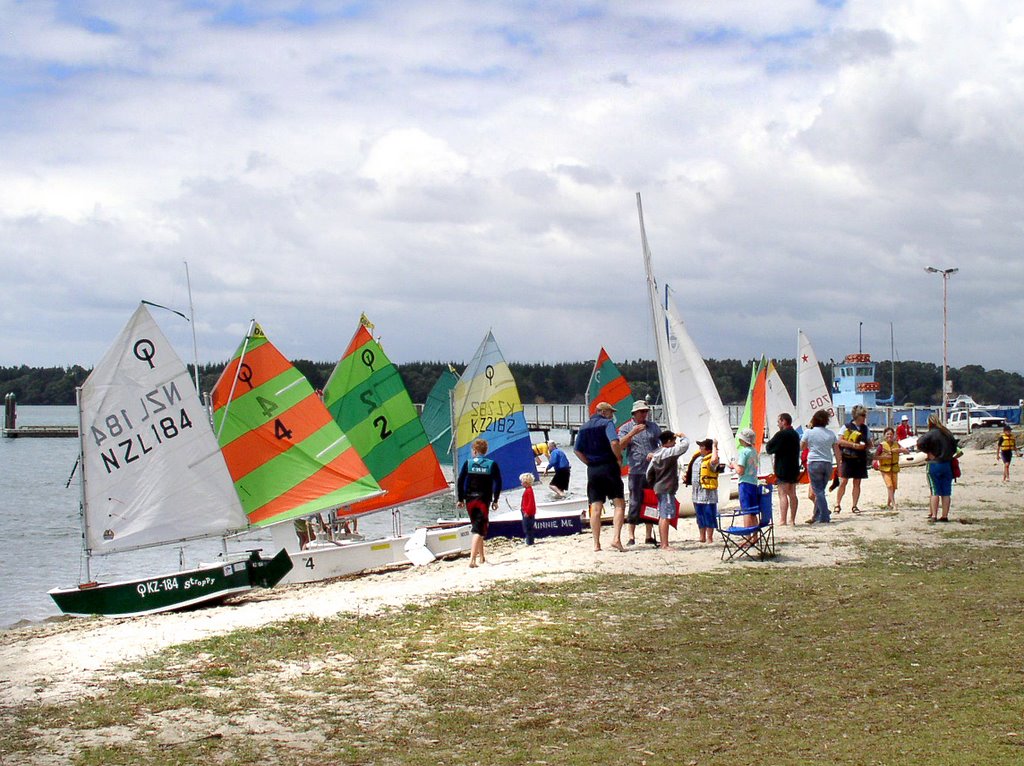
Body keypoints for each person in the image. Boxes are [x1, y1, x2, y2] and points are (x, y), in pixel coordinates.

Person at [574, 401, 626, 552]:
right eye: (611, 412)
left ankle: (596, 544)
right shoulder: (607, 423)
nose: (612, 415)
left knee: (595, 506)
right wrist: (618, 458)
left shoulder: (583, 427)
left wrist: (588, 462)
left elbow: (577, 450)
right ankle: (616, 538)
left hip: (593, 469)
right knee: (619, 504)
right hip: (609, 465)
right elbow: (615, 442)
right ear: (603, 412)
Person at [618, 400, 662, 546]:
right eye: (641, 412)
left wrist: (654, 453)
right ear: (634, 413)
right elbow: (620, 446)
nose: (644, 414)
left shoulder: (653, 427)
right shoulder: (625, 428)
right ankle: (631, 536)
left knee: (650, 501)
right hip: (636, 471)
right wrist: (632, 433)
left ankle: (649, 535)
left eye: (646, 411)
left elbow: (663, 445)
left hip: (651, 470)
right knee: (635, 501)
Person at [456, 438, 502, 567]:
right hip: (483, 500)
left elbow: (460, 481)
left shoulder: (468, 463)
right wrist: (496, 500)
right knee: (478, 529)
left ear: (475, 451)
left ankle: (482, 557)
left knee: (478, 526)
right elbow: (498, 483)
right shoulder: (491, 464)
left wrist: (460, 499)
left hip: (470, 500)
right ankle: (472, 560)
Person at [644, 429, 690, 550]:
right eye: (674, 441)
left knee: (663, 515)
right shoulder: (668, 453)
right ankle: (665, 544)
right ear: (668, 441)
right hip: (666, 487)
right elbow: (684, 446)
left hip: (659, 487)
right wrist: (683, 436)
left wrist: (653, 484)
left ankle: (664, 543)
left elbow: (649, 473)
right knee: (666, 515)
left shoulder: (656, 454)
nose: (675, 443)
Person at [801, 409, 842, 524]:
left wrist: (808, 430)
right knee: (821, 491)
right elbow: (837, 452)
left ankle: (824, 516)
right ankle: (816, 515)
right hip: (828, 463)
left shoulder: (809, 432)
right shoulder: (831, 434)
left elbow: (802, 447)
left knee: (818, 491)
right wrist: (839, 466)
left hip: (814, 463)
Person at [917, 413, 958, 522]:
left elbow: (919, 443)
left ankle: (934, 515)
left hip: (934, 463)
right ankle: (944, 516)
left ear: (929, 423)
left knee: (935, 490)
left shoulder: (931, 433)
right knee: (946, 492)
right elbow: (955, 447)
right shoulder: (947, 433)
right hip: (947, 464)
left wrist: (928, 452)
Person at [765, 412, 801, 525]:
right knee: (792, 494)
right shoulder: (795, 434)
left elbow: (769, 448)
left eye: (779, 421)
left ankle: (783, 520)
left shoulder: (781, 434)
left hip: (783, 467)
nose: (778, 424)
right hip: (794, 467)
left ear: (784, 421)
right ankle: (792, 520)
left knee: (782, 493)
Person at [836, 405, 873, 514]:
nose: (864, 418)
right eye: (863, 415)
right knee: (843, 481)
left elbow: (870, 443)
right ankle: (837, 504)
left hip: (860, 459)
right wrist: (854, 445)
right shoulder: (846, 427)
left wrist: (866, 445)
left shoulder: (865, 428)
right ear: (857, 416)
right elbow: (840, 441)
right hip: (847, 458)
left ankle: (854, 505)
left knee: (857, 483)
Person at [684, 438, 720, 543]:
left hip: (708, 494)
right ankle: (702, 536)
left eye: (702, 447)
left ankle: (709, 538)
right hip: (697, 493)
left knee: (709, 515)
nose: (699, 448)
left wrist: (714, 446)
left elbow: (714, 461)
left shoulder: (711, 460)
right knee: (700, 516)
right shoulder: (697, 458)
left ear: (708, 450)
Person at [731, 428, 760, 528]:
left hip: (744, 483)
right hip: (753, 483)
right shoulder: (754, 451)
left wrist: (733, 464)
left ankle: (747, 535)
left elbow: (740, 471)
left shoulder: (743, 452)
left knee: (746, 510)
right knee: (753, 511)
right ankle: (755, 536)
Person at [875, 426, 909, 509]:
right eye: (887, 434)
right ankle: (894, 504)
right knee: (889, 486)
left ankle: (888, 504)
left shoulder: (896, 444)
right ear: (884, 435)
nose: (889, 436)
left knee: (893, 487)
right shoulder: (881, 446)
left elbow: (907, 451)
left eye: (891, 434)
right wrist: (885, 457)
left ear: (893, 435)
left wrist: (899, 450)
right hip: (884, 468)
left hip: (894, 467)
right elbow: (875, 457)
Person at [520, 472, 537, 545]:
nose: (521, 484)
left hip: (528, 513)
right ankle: (529, 540)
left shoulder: (529, 490)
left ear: (526, 483)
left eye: (522, 482)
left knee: (528, 527)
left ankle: (530, 541)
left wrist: (527, 512)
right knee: (526, 527)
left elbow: (530, 502)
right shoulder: (528, 490)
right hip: (526, 511)